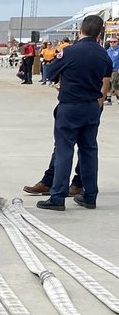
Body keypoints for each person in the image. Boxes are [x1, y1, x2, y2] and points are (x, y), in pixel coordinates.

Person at [36, 14, 111, 211]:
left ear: (80, 30)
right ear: (99, 33)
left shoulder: (69, 52)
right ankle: (90, 195)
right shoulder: (104, 55)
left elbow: (49, 73)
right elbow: (106, 81)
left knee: (64, 150)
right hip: (92, 107)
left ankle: (58, 197)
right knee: (89, 151)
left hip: (70, 106)